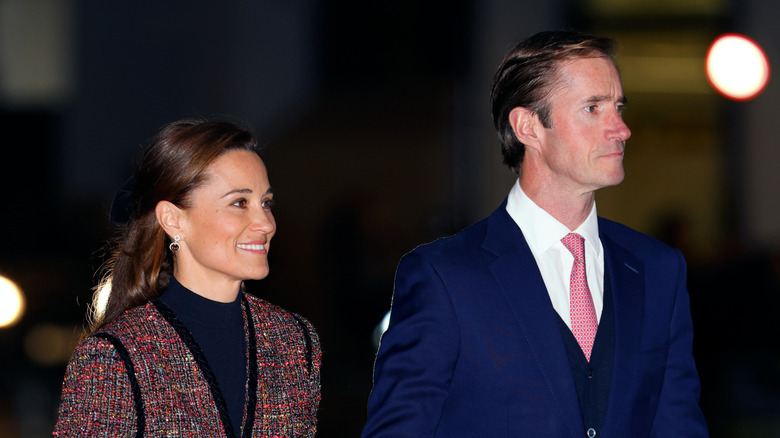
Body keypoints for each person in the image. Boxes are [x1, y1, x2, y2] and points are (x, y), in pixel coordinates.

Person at [362, 30, 708, 437]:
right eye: (593, 108)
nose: (621, 129)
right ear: (528, 127)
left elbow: (677, 425)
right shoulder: (445, 276)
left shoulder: (657, 268)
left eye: (618, 107)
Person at [54, 118, 321, 437]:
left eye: (266, 203)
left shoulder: (293, 339)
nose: (266, 223)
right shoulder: (113, 356)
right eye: (240, 203)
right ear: (173, 219)